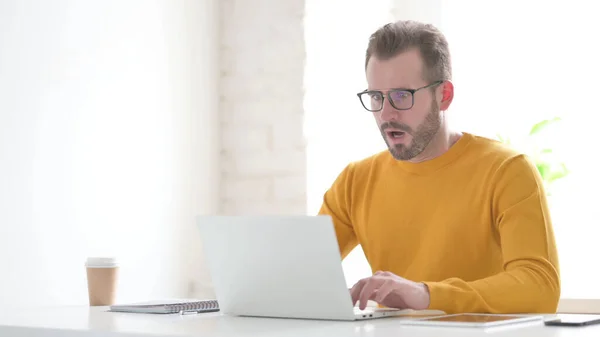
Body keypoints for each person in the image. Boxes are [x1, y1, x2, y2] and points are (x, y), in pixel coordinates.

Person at [318, 20, 560, 314]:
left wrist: (426, 295)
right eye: (376, 97)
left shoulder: (506, 170)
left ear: (443, 95)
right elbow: (300, 273)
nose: (385, 113)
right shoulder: (355, 180)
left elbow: (539, 287)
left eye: (401, 95)